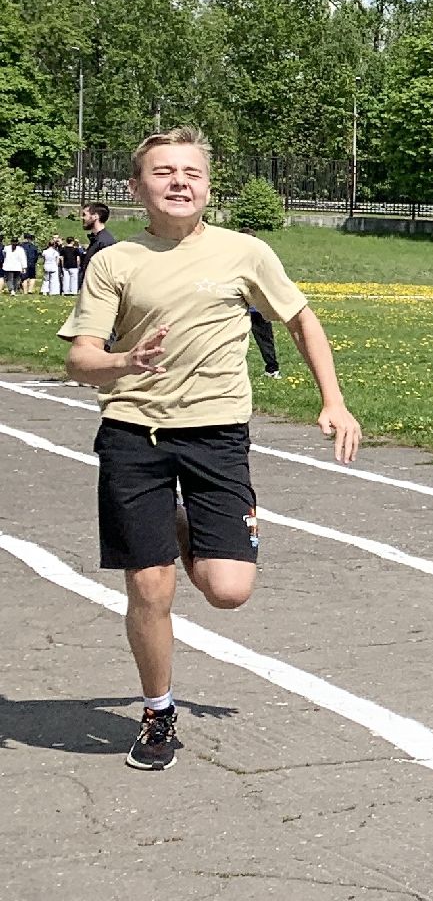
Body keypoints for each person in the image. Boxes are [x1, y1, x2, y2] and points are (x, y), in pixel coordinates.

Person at [58, 126, 362, 770]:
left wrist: (332, 400)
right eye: (163, 171)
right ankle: (159, 712)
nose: (178, 182)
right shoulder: (115, 261)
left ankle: (177, 518)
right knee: (151, 586)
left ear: (207, 184)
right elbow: (80, 361)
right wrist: (122, 361)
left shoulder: (245, 252)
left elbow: (302, 320)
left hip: (218, 437)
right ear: (137, 188)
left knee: (228, 590)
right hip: (133, 436)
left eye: (190, 172)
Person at [239, 229, 281, 378]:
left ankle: (272, 369)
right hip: (237, 308)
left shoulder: (260, 260)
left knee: (265, 339)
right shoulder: (232, 260)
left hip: (257, 309)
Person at [79, 201, 116, 285]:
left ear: (95, 216)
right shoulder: (96, 240)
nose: (82, 218)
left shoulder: (105, 242)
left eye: (85, 215)